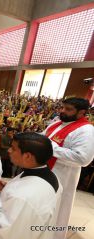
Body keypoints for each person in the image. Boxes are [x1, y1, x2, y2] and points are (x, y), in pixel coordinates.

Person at [0, 132, 62, 239]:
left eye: (13, 148)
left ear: (28, 156)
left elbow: (1, 230)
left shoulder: (24, 196)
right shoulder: (50, 176)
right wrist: (8, 188)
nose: (9, 150)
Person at [42, 97, 94, 238]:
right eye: (62, 107)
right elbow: (43, 138)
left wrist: (51, 148)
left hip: (62, 178)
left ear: (81, 112)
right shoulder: (58, 123)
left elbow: (83, 159)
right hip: (44, 172)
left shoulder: (86, 130)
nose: (62, 111)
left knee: (56, 213)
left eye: (68, 109)